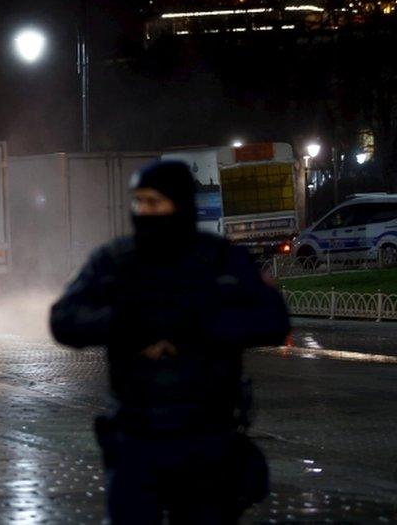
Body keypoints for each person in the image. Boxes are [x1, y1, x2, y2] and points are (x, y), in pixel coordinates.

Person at [49, 161, 290, 524]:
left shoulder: (221, 259)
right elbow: (64, 318)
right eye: (139, 202)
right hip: (137, 433)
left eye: (155, 202)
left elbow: (273, 321)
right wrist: (123, 325)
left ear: (180, 204)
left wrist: (200, 328)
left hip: (207, 436)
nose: (144, 212)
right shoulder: (115, 260)